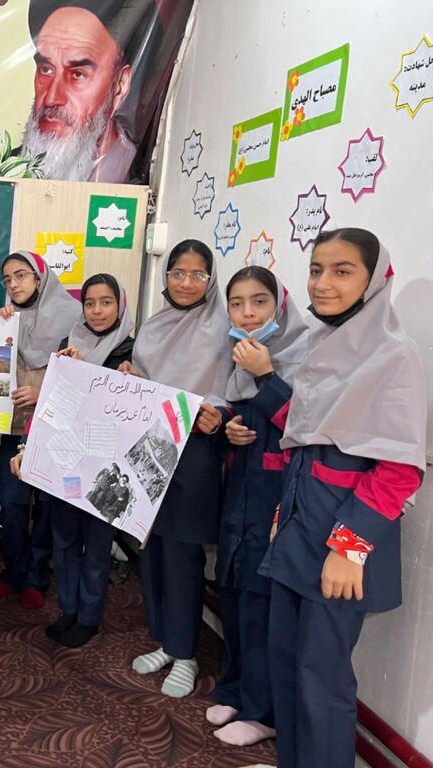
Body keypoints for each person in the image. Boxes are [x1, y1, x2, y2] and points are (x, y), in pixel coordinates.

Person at [261, 229, 425, 768]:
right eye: (316, 270)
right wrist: (284, 514)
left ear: (374, 281)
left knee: (321, 679)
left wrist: (349, 546)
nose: (323, 283)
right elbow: (305, 440)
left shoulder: (395, 356)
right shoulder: (321, 344)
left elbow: (399, 469)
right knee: (287, 663)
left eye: (342, 271)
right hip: (299, 524)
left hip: (341, 539)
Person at [122, 239, 232, 697]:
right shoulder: (153, 326)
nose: (187, 283)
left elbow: (232, 389)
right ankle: (167, 642)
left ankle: (186, 655)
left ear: (211, 279)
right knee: (150, 548)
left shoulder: (223, 327)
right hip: (149, 449)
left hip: (194, 456)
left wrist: (219, 414)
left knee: (184, 556)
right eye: (178, 273)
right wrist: (130, 380)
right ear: (166, 277)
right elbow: (147, 388)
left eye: (197, 275)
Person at [209, 266, 309, 747]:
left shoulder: (303, 355)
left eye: (259, 302)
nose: (247, 313)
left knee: (263, 605)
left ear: (280, 305)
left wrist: (266, 374)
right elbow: (240, 417)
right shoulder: (238, 359)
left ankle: (263, 711)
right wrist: (227, 427)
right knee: (231, 590)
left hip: (277, 499)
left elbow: (305, 426)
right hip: (241, 495)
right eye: (237, 304)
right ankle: (234, 689)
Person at [15, 273, 134, 645]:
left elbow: (121, 410)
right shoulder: (69, 344)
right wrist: (28, 449)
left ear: (120, 305)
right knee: (64, 539)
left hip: (105, 466)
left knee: (96, 545)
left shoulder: (130, 352)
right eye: (90, 303)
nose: (97, 310)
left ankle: (89, 616)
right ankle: (68, 608)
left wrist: (89, 372)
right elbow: (54, 402)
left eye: (106, 302)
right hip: (66, 459)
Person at [0, 252, 82, 609]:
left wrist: (42, 394)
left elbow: (80, 377)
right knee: (11, 502)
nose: (13, 284)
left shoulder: (73, 317)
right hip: (14, 426)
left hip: (52, 426)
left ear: (40, 277)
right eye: (7, 278)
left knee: (45, 505)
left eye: (21, 275)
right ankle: (14, 572)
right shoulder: (6, 318)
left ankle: (37, 577)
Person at [22, 0, 142, 182]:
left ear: (120, 86)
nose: (52, 98)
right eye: (46, 69)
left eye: (77, 74)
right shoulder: (2, 172)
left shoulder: (143, 173)